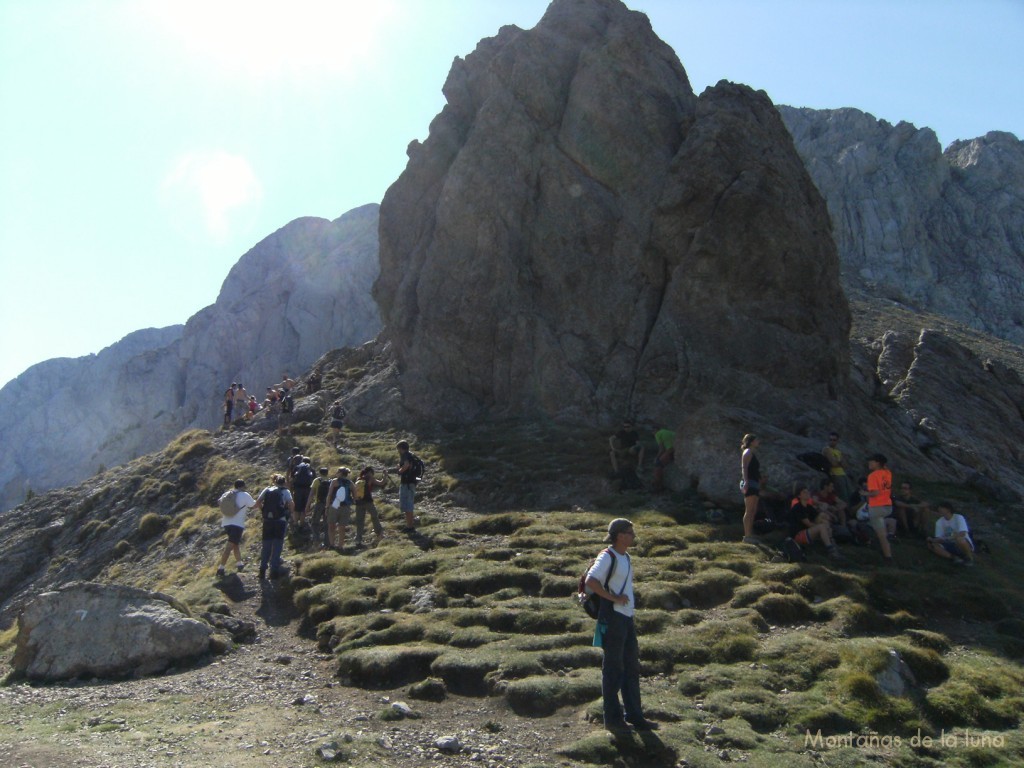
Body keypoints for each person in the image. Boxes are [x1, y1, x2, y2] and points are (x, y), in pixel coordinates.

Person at [585, 518, 655, 733]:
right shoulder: (607, 556)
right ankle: (613, 719)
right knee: (614, 668)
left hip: (626, 617)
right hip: (613, 617)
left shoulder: (626, 557)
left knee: (631, 666)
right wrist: (612, 598)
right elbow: (591, 580)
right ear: (619, 535)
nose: (633, 536)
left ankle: (635, 715)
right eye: (630, 532)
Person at [254, 474, 294, 580]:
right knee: (277, 545)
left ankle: (262, 570)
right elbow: (291, 504)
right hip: (280, 520)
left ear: (275, 481)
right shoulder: (285, 491)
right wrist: (289, 513)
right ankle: (274, 571)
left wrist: (263, 511)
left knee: (266, 545)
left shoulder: (267, 490)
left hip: (267, 521)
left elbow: (258, 503)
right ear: (284, 482)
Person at [216, 479, 256, 577]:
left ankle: (239, 564)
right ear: (243, 486)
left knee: (235, 543)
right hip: (237, 524)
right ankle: (221, 568)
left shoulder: (227, 493)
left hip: (226, 523)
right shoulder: (245, 495)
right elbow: (253, 505)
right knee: (229, 546)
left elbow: (219, 502)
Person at [788, 486, 841, 558]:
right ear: (799, 496)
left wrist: (826, 518)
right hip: (798, 535)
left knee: (823, 520)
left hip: (807, 531)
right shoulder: (798, 507)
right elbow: (808, 524)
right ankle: (831, 550)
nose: (807, 493)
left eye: (807, 491)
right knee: (822, 526)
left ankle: (831, 542)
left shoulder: (809, 507)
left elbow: (819, 516)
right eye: (804, 492)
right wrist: (822, 526)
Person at [865, 453, 895, 565]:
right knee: (876, 527)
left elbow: (875, 492)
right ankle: (878, 544)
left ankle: (888, 557)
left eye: (871, 461)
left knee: (881, 534)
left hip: (876, 507)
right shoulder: (887, 473)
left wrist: (865, 493)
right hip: (887, 506)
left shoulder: (872, 476)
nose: (869, 463)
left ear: (877, 463)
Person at [926, 501, 975, 566]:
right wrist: (933, 540)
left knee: (960, 539)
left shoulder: (958, 517)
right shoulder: (939, 522)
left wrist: (948, 538)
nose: (939, 509)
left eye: (942, 508)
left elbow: (962, 533)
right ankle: (953, 557)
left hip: (960, 543)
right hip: (949, 543)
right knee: (932, 545)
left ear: (948, 509)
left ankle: (969, 558)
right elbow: (939, 537)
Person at [352, 466, 388, 547]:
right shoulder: (370, 478)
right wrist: (385, 475)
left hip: (359, 502)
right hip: (368, 501)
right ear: (370, 472)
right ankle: (379, 533)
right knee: (374, 516)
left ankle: (358, 539)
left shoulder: (359, 479)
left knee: (360, 521)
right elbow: (381, 483)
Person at [392, 440, 420, 531]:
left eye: (398, 449)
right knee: (408, 504)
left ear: (401, 448)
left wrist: (400, 471)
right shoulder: (411, 455)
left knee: (407, 505)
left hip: (407, 483)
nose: (398, 451)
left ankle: (410, 526)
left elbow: (407, 465)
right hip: (411, 482)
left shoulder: (406, 455)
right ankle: (409, 525)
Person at [326, 467, 355, 549]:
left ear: (340, 473)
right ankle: (340, 545)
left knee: (331, 525)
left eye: (338, 472)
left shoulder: (335, 481)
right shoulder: (350, 483)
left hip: (334, 506)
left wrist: (327, 506)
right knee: (342, 527)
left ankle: (332, 544)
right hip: (345, 507)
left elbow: (329, 494)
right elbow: (355, 496)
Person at [740, 434, 761, 543]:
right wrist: (746, 481)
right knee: (749, 510)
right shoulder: (747, 452)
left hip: (755, 483)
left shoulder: (752, 453)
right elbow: (744, 467)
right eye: (756, 440)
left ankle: (750, 534)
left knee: (753, 510)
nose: (758, 441)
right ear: (751, 441)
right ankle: (747, 536)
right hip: (751, 483)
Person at [822, 432, 853, 502]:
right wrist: (840, 462)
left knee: (851, 493)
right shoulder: (826, 449)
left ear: (837, 441)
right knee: (844, 495)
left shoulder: (838, 451)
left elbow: (845, 465)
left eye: (834, 440)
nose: (832, 441)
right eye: (830, 439)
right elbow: (834, 463)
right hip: (835, 475)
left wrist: (838, 461)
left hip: (843, 474)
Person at [306, 466, 332, 544]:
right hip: (328, 504)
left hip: (319, 504)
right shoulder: (331, 481)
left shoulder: (317, 480)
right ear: (327, 473)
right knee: (326, 523)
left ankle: (316, 540)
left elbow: (311, 494)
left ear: (320, 473)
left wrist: (308, 505)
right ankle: (327, 542)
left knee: (314, 523)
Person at [291, 456, 315, 526]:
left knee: (297, 507)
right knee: (304, 507)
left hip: (298, 489)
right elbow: (314, 479)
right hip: (307, 490)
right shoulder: (311, 469)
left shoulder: (297, 467)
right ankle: (302, 523)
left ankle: (295, 523)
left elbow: (292, 477)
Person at [651, 428, 675, 492]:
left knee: (658, 465)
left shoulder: (658, 434)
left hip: (671, 451)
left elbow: (661, 449)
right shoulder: (669, 431)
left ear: (654, 431)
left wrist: (657, 457)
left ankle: (658, 486)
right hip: (678, 450)